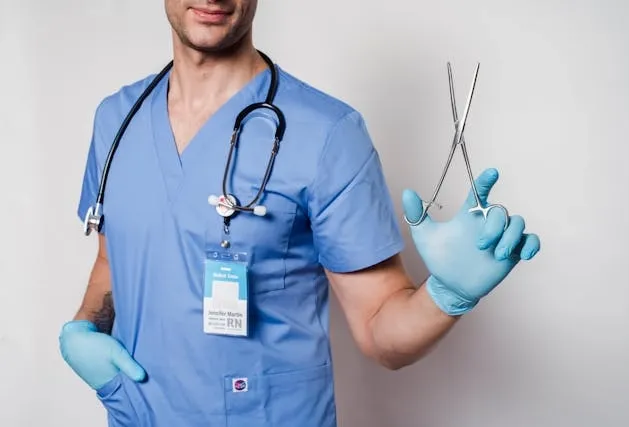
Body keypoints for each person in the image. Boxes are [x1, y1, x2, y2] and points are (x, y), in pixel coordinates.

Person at [58, 1, 541, 426]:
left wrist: (447, 295)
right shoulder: (117, 120)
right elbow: (113, 259)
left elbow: (379, 328)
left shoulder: (327, 134)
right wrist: (84, 330)